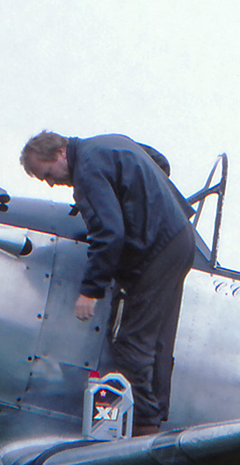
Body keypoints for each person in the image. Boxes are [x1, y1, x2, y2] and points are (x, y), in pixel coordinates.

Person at [21, 131, 196, 435]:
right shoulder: (108, 144)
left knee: (129, 344)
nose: (52, 183)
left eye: (48, 174)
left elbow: (109, 233)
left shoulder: (87, 172)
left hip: (155, 250)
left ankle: (143, 432)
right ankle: (155, 416)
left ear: (61, 153)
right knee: (156, 342)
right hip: (179, 239)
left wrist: (91, 290)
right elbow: (159, 162)